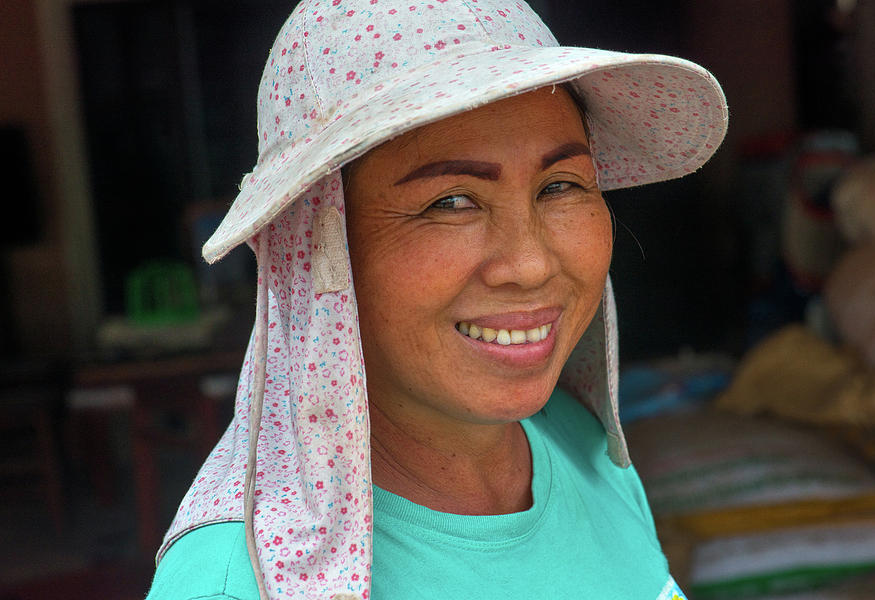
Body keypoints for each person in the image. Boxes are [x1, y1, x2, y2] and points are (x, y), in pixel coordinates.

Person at [146, 1, 727, 599]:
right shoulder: (248, 581)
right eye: (452, 202)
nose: (530, 265)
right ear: (319, 251)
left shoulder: (579, 446)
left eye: (560, 186)